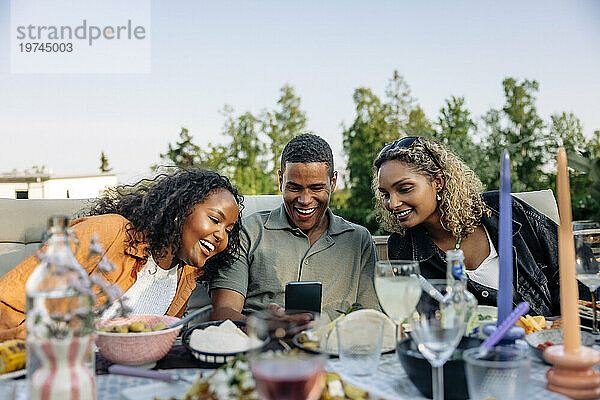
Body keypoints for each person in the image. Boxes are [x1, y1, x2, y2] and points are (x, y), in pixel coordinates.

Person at [0, 168, 242, 340]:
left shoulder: (186, 276)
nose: (221, 235)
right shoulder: (108, 232)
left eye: (228, 230)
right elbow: (9, 300)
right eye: (214, 220)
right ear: (180, 210)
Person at [374, 136, 561, 316]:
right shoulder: (402, 247)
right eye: (385, 194)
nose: (392, 203)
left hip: (546, 338)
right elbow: (428, 319)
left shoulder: (502, 209)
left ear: (438, 182)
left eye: (404, 189)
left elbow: (567, 271)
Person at [210, 133, 380, 321]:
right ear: (280, 180)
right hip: (260, 344)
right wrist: (265, 326)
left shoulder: (358, 240)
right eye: (294, 188)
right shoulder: (248, 232)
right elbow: (222, 314)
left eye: (316, 188)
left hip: (334, 346)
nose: (305, 200)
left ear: (333, 182)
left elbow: (371, 317)